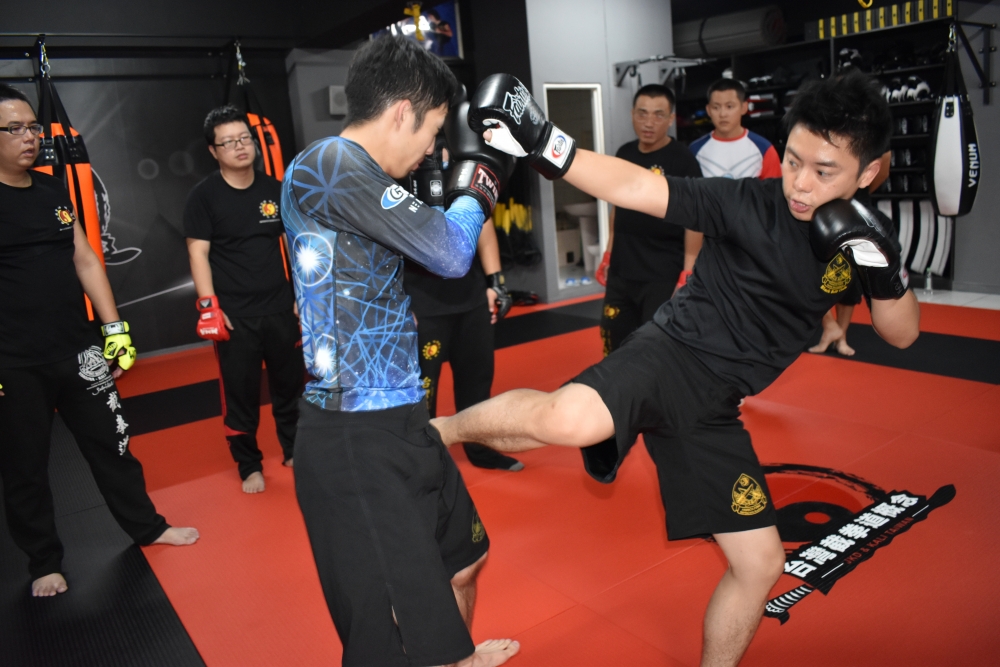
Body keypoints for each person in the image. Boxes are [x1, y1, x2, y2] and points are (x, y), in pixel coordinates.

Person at [434, 70, 919, 666]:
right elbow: (637, 186)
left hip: (716, 408)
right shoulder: (747, 203)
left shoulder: (862, 241)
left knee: (761, 564)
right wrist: (544, 142)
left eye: (824, 172)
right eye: (793, 161)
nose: (799, 183)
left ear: (868, 172)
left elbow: (902, 333)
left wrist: (885, 269)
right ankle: (437, 430)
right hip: (668, 355)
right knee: (569, 420)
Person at [281, 37, 518, 667]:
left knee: (463, 561)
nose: (433, 150)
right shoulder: (330, 165)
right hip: (353, 437)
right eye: (435, 131)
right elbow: (449, 252)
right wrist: (482, 177)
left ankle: (456, 658)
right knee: (390, 629)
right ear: (403, 111)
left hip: (405, 416)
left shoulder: (368, 180)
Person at [0, 83, 199, 598]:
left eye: (33, 127)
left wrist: (113, 328)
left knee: (114, 444)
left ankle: (147, 527)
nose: (30, 137)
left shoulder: (51, 190)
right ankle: (44, 561)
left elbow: (85, 258)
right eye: (14, 129)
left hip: (78, 348)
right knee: (25, 467)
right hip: (14, 362)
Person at [184, 105, 303, 494]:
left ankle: (294, 449)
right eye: (228, 142)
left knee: (290, 387)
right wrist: (209, 307)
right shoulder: (204, 197)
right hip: (235, 316)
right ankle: (249, 465)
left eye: (244, 138)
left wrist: (302, 293)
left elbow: (295, 244)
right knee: (241, 395)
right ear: (213, 151)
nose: (239, 146)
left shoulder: (276, 190)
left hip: (280, 308)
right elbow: (198, 253)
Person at [404, 135, 523, 472]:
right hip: (423, 304)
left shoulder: (463, 170)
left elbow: (483, 227)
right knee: (422, 390)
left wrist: (495, 282)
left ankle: (480, 449)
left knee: (477, 380)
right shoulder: (396, 176)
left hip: (470, 298)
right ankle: (422, 460)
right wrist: (399, 302)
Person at [595, 84, 704, 355]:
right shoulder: (624, 154)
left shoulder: (683, 160)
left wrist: (688, 272)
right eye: (642, 113)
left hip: (662, 273)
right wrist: (608, 253)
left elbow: (694, 221)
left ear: (670, 119)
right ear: (632, 114)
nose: (648, 122)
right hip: (622, 269)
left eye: (658, 115)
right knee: (613, 340)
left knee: (654, 347)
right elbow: (618, 208)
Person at [809, 151, 892, 356]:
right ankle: (830, 326)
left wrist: (858, 187)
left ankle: (841, 337)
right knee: (815, 271)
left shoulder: (872, 142)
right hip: (825, 202)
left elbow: (883, 168)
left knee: (851, 274)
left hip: (856, 206)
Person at [689, 78, 782, 180]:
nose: (722, 114)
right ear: (708, 110)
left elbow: (773, 189)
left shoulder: (764, 149)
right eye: (716, 107)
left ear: (744, 107)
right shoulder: (695, 150)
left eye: (729, 106)